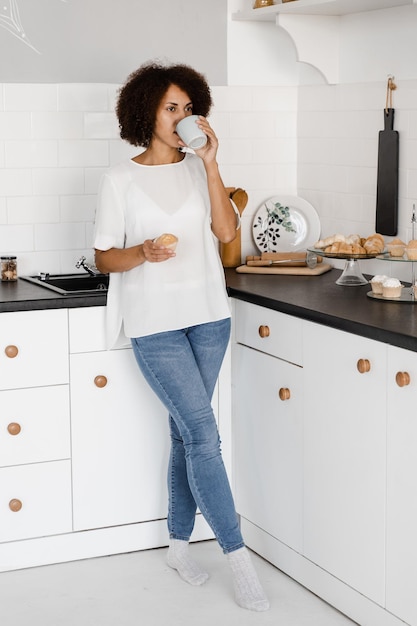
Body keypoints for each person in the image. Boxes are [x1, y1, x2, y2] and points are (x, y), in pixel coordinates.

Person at [93, 60, 269, 612]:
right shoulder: (118, 178)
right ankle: (238, 557)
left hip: (209, 316)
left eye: (189, 108)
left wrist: (213, 165)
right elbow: (103, 258)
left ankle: (176, 545)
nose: (182, 117)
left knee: (184, 434)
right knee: (202, 434)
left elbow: (224, 234)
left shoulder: (199, 169)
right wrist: (142, 253)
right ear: (145, 112)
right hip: (154, 324)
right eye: (172, 108)